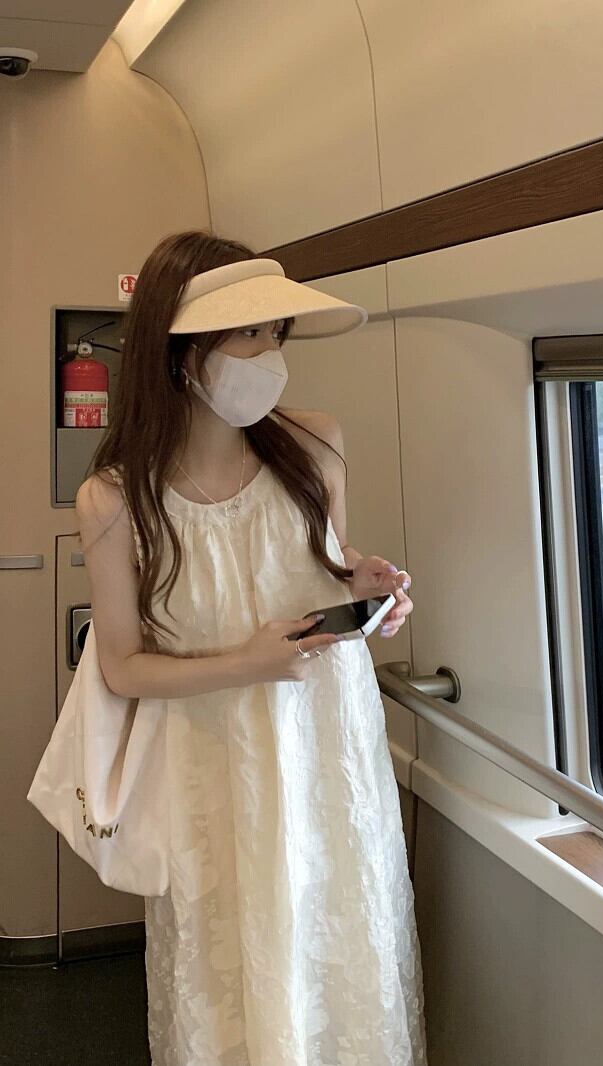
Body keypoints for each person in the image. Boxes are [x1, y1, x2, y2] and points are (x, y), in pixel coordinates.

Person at [75, 230, 428, 1065]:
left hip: (326, 746)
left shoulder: (318, 444)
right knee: (229, 964)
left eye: (276, 332)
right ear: (178, 350)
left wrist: (363, 584)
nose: (270, 354)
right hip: (211, 758)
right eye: (248, 333)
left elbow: (323, 564)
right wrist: (249, 663)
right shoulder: (116, 498)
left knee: (342, 939)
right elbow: (122, 665)